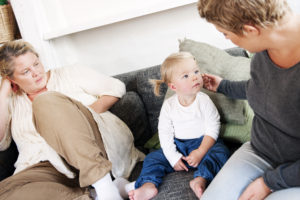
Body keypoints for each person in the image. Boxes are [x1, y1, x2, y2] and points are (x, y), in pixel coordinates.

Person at [0, 40, 145, 200]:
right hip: (47, 167)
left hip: (90, 149)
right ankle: (97, 194)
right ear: (12, 79)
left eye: (36, 63)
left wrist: (84, 113)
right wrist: (4, 92)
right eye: (26, 71)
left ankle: (102, 183)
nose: (36, 73)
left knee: (45, 102)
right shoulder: (12, 101)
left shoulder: (70, 73)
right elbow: (1, 142)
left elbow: (116, 87)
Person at [197, 0, 300, 199]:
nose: (227, 40)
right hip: (260, 152)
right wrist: (222, 86)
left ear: (250, 30)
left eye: (225, 33)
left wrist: (269, 183)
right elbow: (265, 90)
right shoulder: (265, 48)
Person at [127, 52, 230, 200]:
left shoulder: (204, 100)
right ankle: (149, 184)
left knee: (221, 152)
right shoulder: (169, 106)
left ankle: (201, 179)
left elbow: (213, 128)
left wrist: (201, 152)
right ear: (173, 86)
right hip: (179, 147)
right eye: (186, 76)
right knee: (152, 159)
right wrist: (173, 158)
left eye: (196, 71)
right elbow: (164, 133)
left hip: (204, 144)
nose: (195, 77)